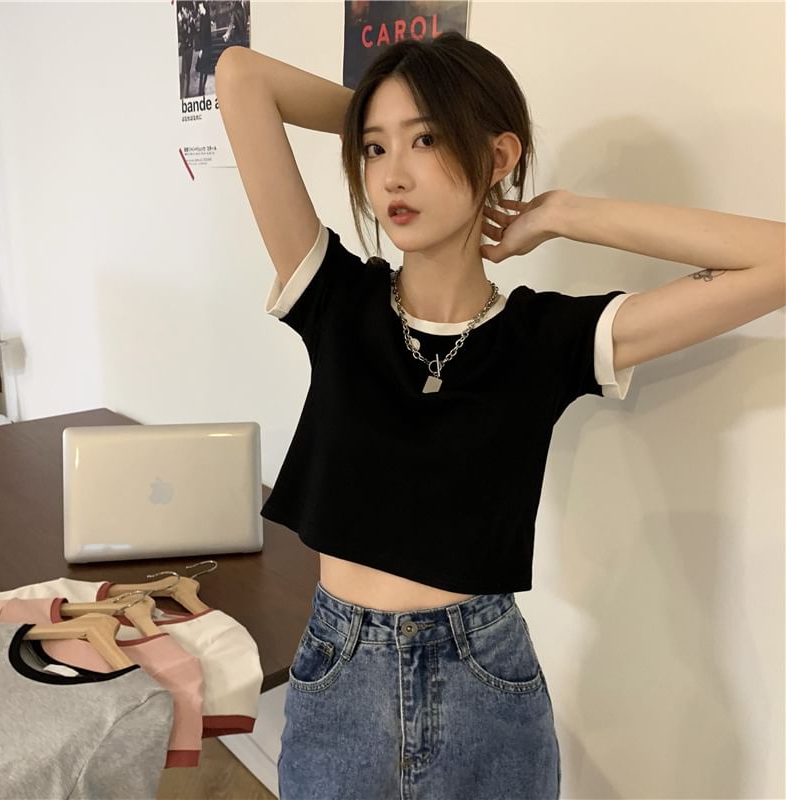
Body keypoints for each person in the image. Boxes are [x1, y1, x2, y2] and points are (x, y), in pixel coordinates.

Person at [215, 32, 785, 800]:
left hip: (484, 681)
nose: (393, 174)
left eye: (426, 140)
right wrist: (387, 112)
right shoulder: (335, 299)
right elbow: (241, 75)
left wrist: (565, 213)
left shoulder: (548, 338)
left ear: (499, 155)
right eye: (375, 150)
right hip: (338, 673)